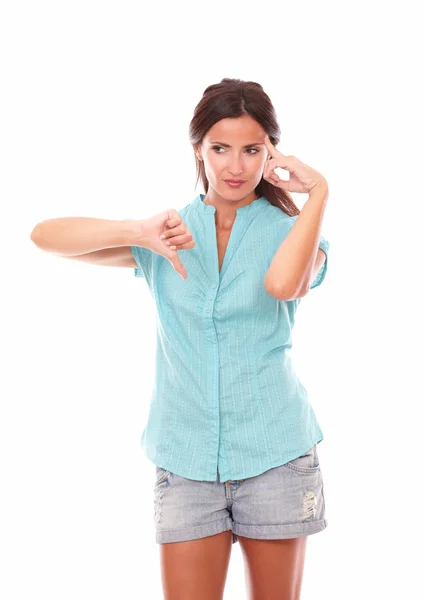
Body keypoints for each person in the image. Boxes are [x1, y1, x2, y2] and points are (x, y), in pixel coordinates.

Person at [30, 77, 331, 600]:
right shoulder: (166, 233)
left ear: (270, 154)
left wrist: (320, 191)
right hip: (186, 461)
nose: (235, 167)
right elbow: (45, 236)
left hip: (276, 455)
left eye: (251, 150)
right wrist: (136, 232)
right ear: (198, 150)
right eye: (220, 148)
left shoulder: (295, 233)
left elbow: (283, 285)